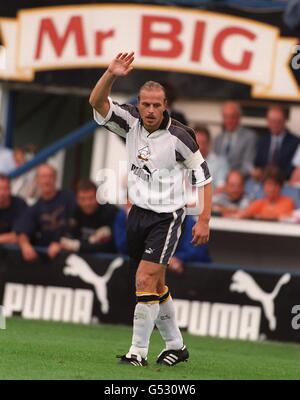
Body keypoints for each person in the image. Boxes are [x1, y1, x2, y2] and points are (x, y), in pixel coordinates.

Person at [89, 52, 212, 367]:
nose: (151, 110)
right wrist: (111, 73)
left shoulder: (180, 137)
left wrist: (204, 220)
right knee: (154, 285)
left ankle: (137, 354)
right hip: (138, 215)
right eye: (146, 104)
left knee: (144, 280)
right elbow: (97, 102)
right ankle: (176, 345)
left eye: (157, 104)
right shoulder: (129, 121)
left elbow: (204, 177)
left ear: (165, 105)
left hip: (167, 218)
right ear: (139, 103)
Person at [17, 164, 76, 261]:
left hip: (73, 256)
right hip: (48, 260)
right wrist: (25, 244)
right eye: (43, 177)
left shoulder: (69, 198)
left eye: (50, 176)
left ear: (56, 179)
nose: (47, 180)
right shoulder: (35, 207)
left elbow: (79, 225)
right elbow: (23, 230)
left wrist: (62, 243)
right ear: (37, 180)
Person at [60, 180, 119, 253]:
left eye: (91, 198)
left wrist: (78, 246)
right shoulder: (74, 211)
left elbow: (111, 246)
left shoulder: (110, 212)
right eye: (82, 199)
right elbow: (68, 237)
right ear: (77, 200)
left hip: (106, 261)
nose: (87, 203)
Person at [252, 105, 299, 180]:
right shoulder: (262, 141)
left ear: (285, 121)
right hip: (263, 182)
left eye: (279, 121)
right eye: (272, 121)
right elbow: (257, 163)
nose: (275, 124)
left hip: (285, 183)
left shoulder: (295, 142)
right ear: (267, 121)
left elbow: (294, 168)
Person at [214, 101, 257, 176]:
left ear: (239, 118)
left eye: (232, 117)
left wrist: (231, 178)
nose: (229, 120)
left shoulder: (249, 137)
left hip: (238, 180)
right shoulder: (218, 139)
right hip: (219, 181)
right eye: (226, 117)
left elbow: (247, 165)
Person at [195, 125, 229, 192]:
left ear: (209, 143)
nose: (201, 147)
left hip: (211, 200)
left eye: (203, 143)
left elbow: (220, 190)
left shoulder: (220, 163)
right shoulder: (183, 162)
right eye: (198, 143)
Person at [0, 174, 27, 244]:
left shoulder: (19, 205)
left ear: (10, 190)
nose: (1, 193)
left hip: (15, 252)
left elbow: (19, 237)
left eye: (5, 189)